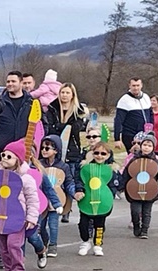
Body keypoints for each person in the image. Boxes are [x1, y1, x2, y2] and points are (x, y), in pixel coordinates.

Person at [0, 141, 39, 271]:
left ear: (18, 160)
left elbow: (32, 199)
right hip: (1, 217)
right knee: (3, 247)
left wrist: (31, 218)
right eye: (3, 155)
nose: (5, 158)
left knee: (13, 244)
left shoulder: (26, 178)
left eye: (9, 156)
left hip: (18, 218)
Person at [44, 83, 86, 222]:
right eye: (62, 92)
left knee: (69, 179)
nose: (64, 95)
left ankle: (67, 207)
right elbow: (51, 127)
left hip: (72, 149)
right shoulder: (52, 108)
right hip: (55, 146)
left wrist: (62, 126)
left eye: (67, 93)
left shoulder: (78, 110)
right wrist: (64, 126)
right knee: (55, 179)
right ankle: (53, 203)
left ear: (72, 95)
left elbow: (76, 128)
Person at [122, 134, 158, 238]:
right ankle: (136, 226)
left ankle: (144, 230)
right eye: (145, 145)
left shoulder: (156, 162)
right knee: (135, 211)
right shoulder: (134, 160)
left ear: (153, 148)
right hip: (134, 191)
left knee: (146, 212)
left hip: (150, 191)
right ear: (141, 146)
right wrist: (123, 186)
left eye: (149, 145)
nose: (146, 147)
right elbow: (126, 173)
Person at [37, 135, 75, 257]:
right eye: (42, 148)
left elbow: (68, 182)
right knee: (41, 225)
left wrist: (74, 193)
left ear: (56, 150)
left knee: (53, 225)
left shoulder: (63, 166)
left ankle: (53, 246)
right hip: (42, 200)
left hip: (56, 200)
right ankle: (45, 241)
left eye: (47, 148)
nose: (44, 150)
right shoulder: (38, 164)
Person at [76, 142, 115, 256]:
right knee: (83, 223)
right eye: (96, 153)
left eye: (103, 153)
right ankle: (85, 242)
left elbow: (113, 184)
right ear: (92, 154)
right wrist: (79, 190)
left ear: (108, 155)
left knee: (100, 225)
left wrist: (111, 195)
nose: (99, 156)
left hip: (102, 201)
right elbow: (79, 180)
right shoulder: (85, 168)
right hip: (87, 200)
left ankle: (98, 245)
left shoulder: (110, 169)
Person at [0, 71, 34, 153]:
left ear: (21, 83)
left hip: (25, 151)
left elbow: (42, 125)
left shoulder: (32, 103)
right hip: (4, 151)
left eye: (13, 81)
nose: (10, 84)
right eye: (8, 81)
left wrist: (33, 140)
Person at [114, 78, 152, 152]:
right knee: (134, 159)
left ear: (141, 85)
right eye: (133, 85)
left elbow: (151, 115)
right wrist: (117, 138)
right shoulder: (124, 100)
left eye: (138, 85)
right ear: (129, 86)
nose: (136, 88)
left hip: (145, 134)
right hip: (130, 135)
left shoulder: (146, 97)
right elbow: (118, 120)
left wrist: (151, 130)